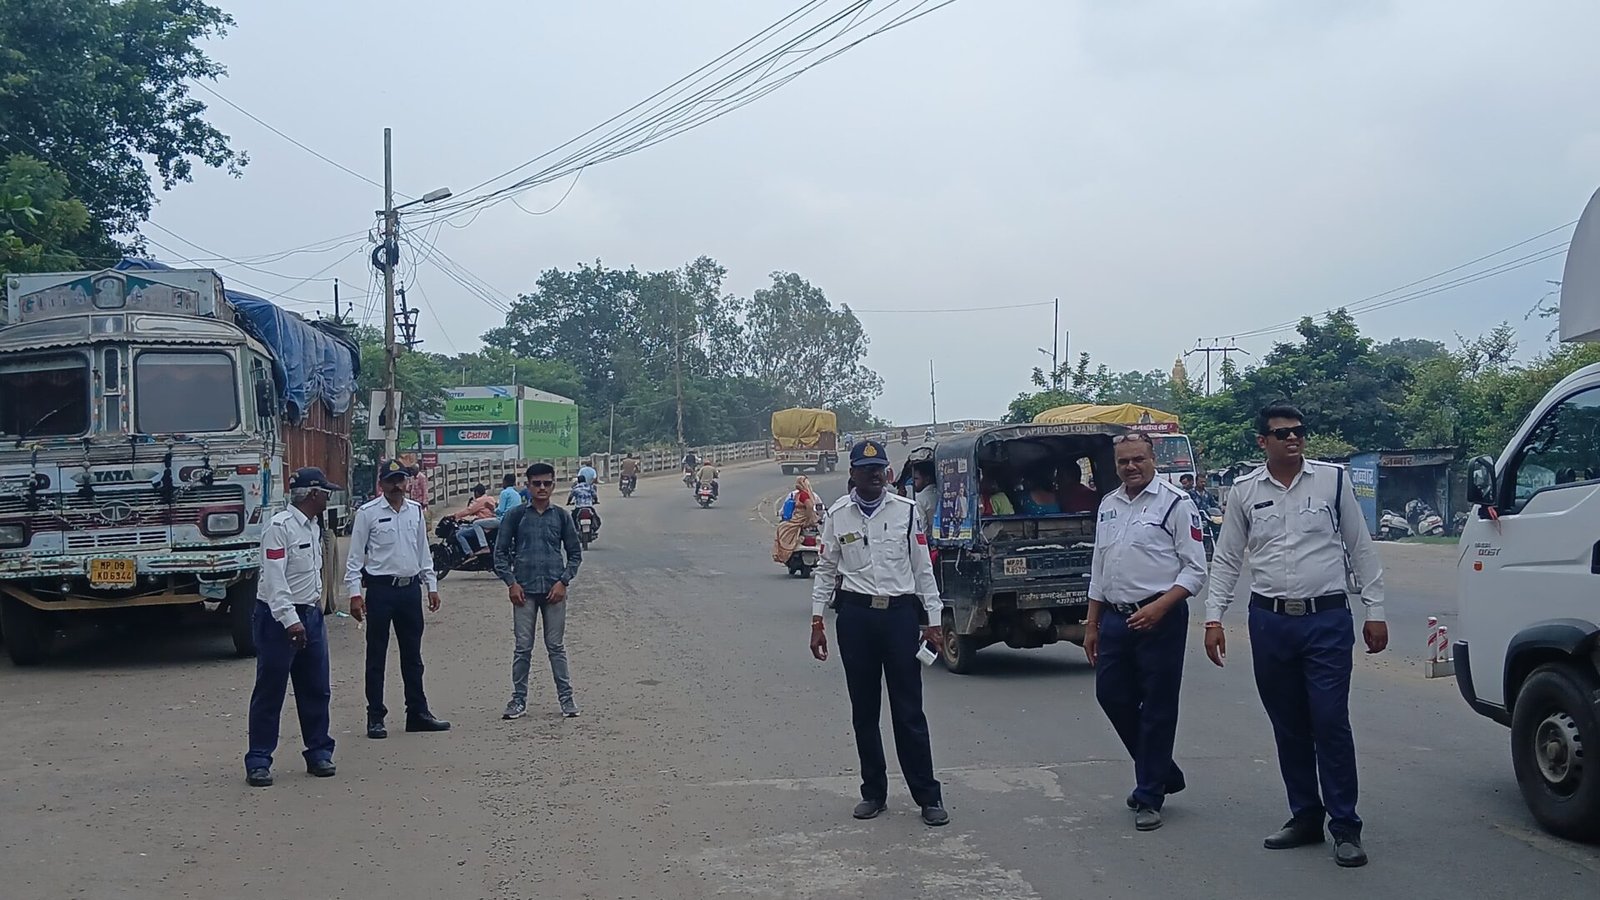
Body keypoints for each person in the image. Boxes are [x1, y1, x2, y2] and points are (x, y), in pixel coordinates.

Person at [1205, 403, 1387, 868]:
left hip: (1325, 620)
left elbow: (1359, 545)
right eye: (1282, 433)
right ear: (1262, 442)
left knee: (1329, 720)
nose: (1293, 439)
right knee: (1288, 724)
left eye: (1299, 432)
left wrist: (1375, 608)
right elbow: (1228, 559)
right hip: (1270, 623)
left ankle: (1345, 825)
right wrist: (1212, 618)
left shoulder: (1333, 481)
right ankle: (1305, 815)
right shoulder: (1245, 492)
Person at [809, 440, 949, 828]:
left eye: (880, 468)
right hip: (856, 618)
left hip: (900, 617)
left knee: (909, 712)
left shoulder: (905, 512)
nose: (874, 474)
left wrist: (933, 619)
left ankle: (928, 796)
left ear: (888, 473)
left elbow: (923, 569)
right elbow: (825, 571)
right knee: (864, 712)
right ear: (852, 473)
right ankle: (873, 792)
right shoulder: (838, 515)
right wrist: (817, 621)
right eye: (866, 468)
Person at [1083, 434, 1208, 831]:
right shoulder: (1109, 505)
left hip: (1161, 617)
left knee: (1157, 706)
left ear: (1154, 460)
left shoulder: (1176, 504)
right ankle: (1163, 770)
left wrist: (1160, 607)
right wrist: (1092, 624)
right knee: (1110, 695)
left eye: (1138, 459)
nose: (1131, 467)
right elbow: (1100, 569)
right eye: (1123, 462)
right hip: (1117, 619)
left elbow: (1195, 569)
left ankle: (1149, 793)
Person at [245, 467, 341, 787]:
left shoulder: (314, 527)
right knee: (271, 690)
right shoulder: (279, 528)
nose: (328, 497)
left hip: (309, 615)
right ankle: (259, 759)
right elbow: (274, 579)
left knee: (316, 688)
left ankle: (319, 752)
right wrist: (290, 621)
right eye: (325, 492)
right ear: (313, 494)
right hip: (279, 619)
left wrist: (307, 617)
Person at [346, 459, 450, 739]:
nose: (396, 486)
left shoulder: (414, 511)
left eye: (400, 479)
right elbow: (355, 558)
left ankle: (417, 712)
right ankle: (375, 716)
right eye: (390, 480)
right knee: (376, 655)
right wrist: (355, 594)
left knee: (413, 656)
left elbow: (422, 551)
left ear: (407, 482)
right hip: (381, 590)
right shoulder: (367, 514)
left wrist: (431, 585)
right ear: (381, 484)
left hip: (409, 590)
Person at [495, 462, 584, 719]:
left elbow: (575, 554)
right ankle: (518, 700)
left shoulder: (562, 516)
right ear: (528, 486)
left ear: (554, 484)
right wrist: (511, 583)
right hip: (523, 591)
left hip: (554, 591)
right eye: (537, 483)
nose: (542, 488)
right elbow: (499, 554)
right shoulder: (516, 516)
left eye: (547, 483)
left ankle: (566, 700)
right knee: (523, 647)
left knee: (555, 646)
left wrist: (564, 581)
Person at [772, 475, 822, 563]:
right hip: (803, 519)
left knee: (782, 528)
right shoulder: (808, 495)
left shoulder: (803, 495)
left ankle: (785, 552)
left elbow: (809, 506)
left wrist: (810, 519)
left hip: (799, 520)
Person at [448, 484, 498, 557]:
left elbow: (468, 510)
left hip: (484, 526)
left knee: (460, 534)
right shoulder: (491, 498)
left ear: (477, 493)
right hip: (491, 524)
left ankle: (469, 553)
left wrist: (454, 515)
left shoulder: (479, 501)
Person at [911, 463, 937, 538]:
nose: (913, 482)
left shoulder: (919, 499)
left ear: (927, 479)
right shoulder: (940, 492)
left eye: (916, 479)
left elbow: (922, 529)